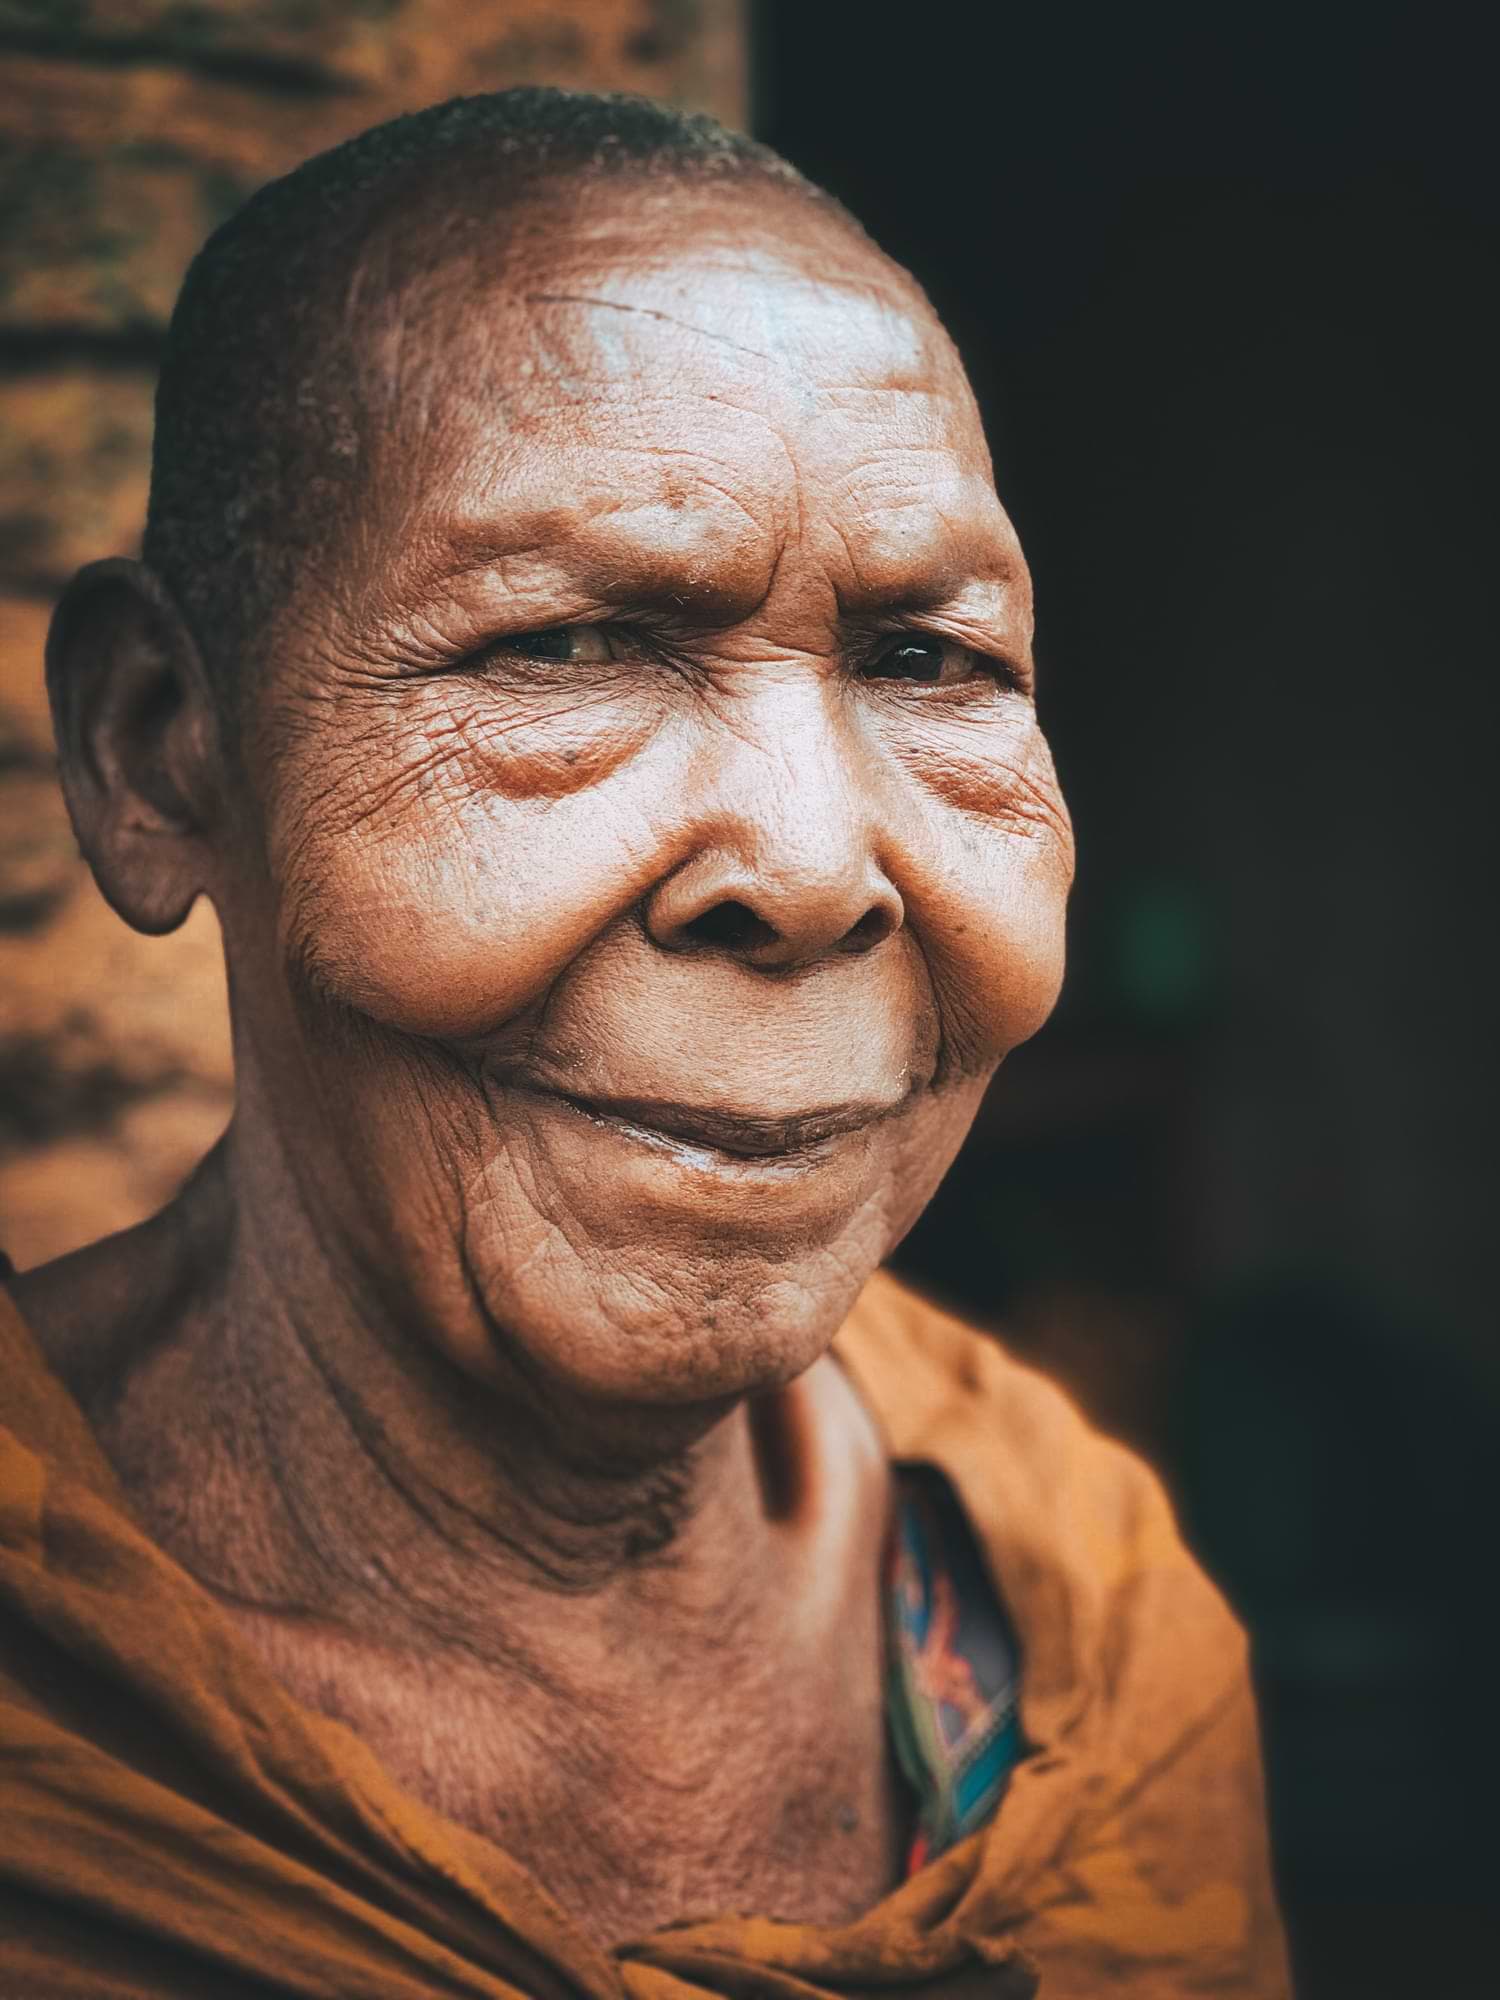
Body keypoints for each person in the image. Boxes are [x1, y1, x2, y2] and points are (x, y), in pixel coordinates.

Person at [0, 89, 1290, 1999]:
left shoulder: (1094, 1624)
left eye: (931, 662)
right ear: (158, 747)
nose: (811, 862)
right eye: (573, 646)